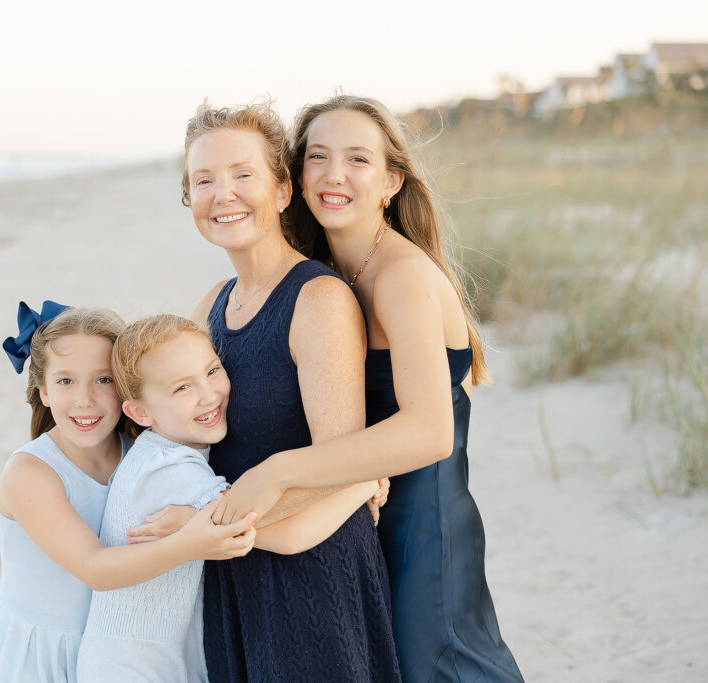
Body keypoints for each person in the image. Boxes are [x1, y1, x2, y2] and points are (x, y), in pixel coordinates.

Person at [212, 95, 524, 682]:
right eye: (318, 157)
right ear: (296, 177)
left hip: (421, 520)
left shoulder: (403, 276)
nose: (334, 175)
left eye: (357, 159)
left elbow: (432, 431)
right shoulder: (324, 275)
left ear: (392, 180)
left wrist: (279, 471)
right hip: (352, 515)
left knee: (442, 666)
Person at [178, 101, 401, 682]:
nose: (222, 194)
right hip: (235, 567)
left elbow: (342, 467)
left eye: (242, 175)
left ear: (282, 191)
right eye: (204, 180)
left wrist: (210, 522)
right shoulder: (211, 306)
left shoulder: (317, 300)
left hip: (312, 573)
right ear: (189, 200)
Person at [77, 314, 382, 682]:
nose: (208, 394)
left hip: (144, 656)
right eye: (182, 388)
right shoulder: (169, 471)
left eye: (212, 370)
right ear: (140, 412)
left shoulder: (165, 452)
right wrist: (362, 481)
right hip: (134, 667)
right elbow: (288, 535)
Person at [0, 302, 258, 683]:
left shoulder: (141, 453)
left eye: (103, 379)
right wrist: (188, 543)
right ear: (42, 391)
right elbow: (94, 567)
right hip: (39, 655)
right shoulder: (31, 472)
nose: (85, 399)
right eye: (65, 381)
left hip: (109, 650)